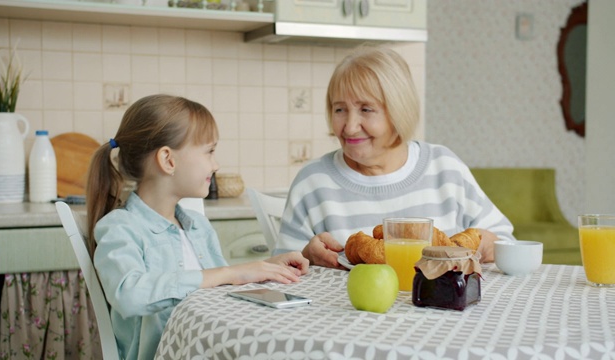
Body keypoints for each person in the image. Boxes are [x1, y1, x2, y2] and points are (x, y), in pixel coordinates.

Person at [85, 94, 309, 360]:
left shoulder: (197, 226)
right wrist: (231, 272)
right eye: (209, 151)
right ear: (168, 160)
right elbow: (129, 294)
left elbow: (224, 286)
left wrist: (268, 267)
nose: (216, 164)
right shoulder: (120, 227)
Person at [276, 45, 515, 268]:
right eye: (340, 109)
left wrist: (482, 246)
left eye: (366, 109)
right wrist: (307, 255)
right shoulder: (312, 183)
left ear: (399, 110)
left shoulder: (444, 167)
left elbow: (505, 241)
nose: (349, 127)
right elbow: (282, 267)